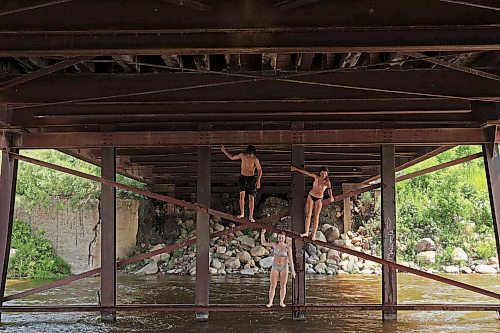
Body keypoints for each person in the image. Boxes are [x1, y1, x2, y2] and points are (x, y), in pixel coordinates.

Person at [290, 165, 334, 240]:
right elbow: (306, 172)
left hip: (319, 198)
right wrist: (296, 169)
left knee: (316, 217)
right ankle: (306, 232)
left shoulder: (327, 182)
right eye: (323, 173)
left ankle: (313, 235)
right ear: (320, 172)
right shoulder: (316, 177)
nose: (324, 175)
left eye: (325, 173)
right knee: (308, 215)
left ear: (327, 174)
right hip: (311, 196)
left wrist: (331, 196)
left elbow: (329, 190)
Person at [220, 144, 262, 222]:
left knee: (251, 198)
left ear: (253, 153)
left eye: (251, 154)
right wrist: (224, 150)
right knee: (242, 196)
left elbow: (260, 170)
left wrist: (258, 180)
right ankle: (242, 213)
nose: (250, 155)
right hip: (243, 177)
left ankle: (251, 216)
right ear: (247, 152)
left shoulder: (255, 159)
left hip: (251, 178)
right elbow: (232, 157)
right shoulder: (242, 155)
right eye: (249, 153)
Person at [260, 229, 296, 307]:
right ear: (277, 237)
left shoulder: (287, 247)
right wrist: (262, 233)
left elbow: (291, 260)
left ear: (285, 238)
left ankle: (281, 302)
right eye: (279, 238)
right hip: (275, 266)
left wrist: (293, 271)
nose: (281, 239)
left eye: (282, 238)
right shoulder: (274, 245)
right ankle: (270, 302)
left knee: (283, 285)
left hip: (284, 267)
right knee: (273, 285)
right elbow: (263, 243)